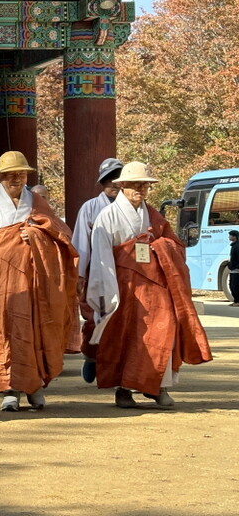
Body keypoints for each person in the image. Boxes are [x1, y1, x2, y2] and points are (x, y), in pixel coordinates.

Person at [87, 161, 212, 409]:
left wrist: (160, 246)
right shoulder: (107, 217)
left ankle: (158, 386)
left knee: (163, 329)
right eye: (135, 185)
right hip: (123, 287)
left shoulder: (153, 216)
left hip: (154, 285)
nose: (140, 190)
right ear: (122, 185)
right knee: (124, 336)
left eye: (144, 185)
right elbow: (101, 259)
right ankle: (124, 390)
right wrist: (105, 294)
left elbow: (174, 244)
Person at [0, 151, 78, 412]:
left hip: (35, 278)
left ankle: (34, 387)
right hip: (2, 277)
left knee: (35, 328)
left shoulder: (37, 202)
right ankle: (9, 389)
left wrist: (37, 236)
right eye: (10, 174)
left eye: (21, 174)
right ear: (0, 177)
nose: (16, 179)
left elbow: (62, 236)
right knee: (6, 329)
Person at [71, 158, 124, 383]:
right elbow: (81, 243)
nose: (113, 184)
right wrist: (79, 275)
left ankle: (118, 366)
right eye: (108, 180)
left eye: (117, 179)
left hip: (124, 271)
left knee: (122, 319)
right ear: (102, 183)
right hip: (97, 270)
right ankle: (91, 356)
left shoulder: (134, 207)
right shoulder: (90, 207)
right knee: (94, 317)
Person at [229, 230, 239, 306]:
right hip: (233, 269)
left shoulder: (237, 246)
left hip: (237, 269)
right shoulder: (233, 245)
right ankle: (235, 301)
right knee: (231, 285)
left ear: (234, 237)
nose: (229, 237)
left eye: (230, 235)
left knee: (236, 286)